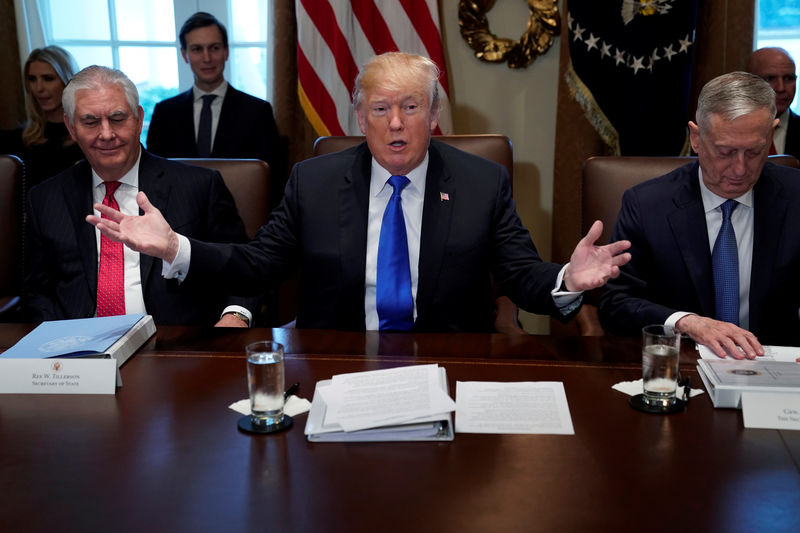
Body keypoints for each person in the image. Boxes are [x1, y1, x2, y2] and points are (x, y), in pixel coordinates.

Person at [89, 52, 630, 332]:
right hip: (338, 358)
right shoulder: (314, 180)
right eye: (381, 109)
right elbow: (257, 266)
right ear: (360, 117)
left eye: (411, 107)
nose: (396, 124)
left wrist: (566, 278)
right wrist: (174, 248)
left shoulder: (479, 181)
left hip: (449, 358)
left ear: (434, 115)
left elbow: (520, 273)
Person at [24, 65, 257, 327]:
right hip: (79, 352)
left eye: (117, 118)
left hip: (174, 349)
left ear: (138, 119)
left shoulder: (199, 187)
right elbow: (37, 293)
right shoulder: (45, 199)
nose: (107, 134)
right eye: (90, 122)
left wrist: (235, 315)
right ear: (71, 127)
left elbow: (244, 267)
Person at [599, 71, 800, 357]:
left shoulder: (795, 197)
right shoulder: (647, 205)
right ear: (696, 138)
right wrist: (685, 321)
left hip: (775, 368)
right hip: (682, 364)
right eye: (725, 152)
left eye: (754, 152)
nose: (740, 169)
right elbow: (615, 304)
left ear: (771, 134)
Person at [145, 12, 282, 183]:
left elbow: (273, 179)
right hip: (178, 208)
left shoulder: (258, 112)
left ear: (226, 52)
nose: (207, 58)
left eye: (214, 48)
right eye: (197, 49)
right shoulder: (165, 113)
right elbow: (153, 175)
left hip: (240, 208)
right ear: (184, 55)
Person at [0, 46, 84, 191]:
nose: (39, 88)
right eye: (32, 79)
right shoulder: (15, 141)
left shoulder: (88, 140)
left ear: (68, 81)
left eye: (48, 78)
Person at [746, 47, 800, 158]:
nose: (781, 88)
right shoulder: (726, 128)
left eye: (788, 78)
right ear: (749, 82)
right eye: (770, 78)